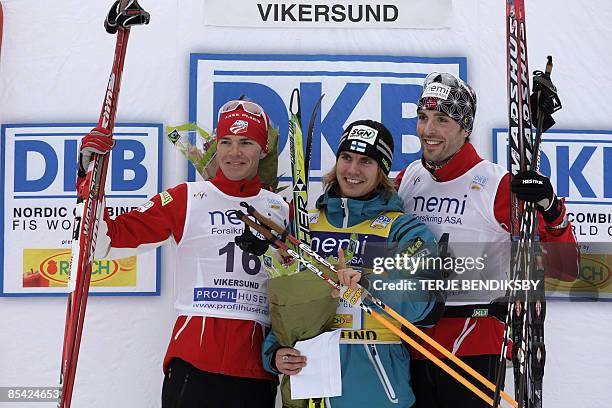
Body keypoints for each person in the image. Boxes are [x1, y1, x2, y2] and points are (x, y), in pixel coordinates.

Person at [78, 100, 290, 408]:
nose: (234, 153)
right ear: (215, 145)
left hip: (255, 372)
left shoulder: (282, 210)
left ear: (263, 150)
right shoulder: (187, 199)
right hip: (194, 366)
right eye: (226, 142)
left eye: (246, 142)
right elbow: (103, 243)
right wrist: (88, 177)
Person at [395, 72, 579, 408]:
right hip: (412, 341)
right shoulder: (408, 179)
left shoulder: (497, 185)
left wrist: (551, 209)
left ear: (465, 128)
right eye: (423, 118)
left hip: (474, 341)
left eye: (442, 120)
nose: (428, 130)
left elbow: (566, 269)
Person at [262, 120, 444, 408]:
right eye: (346, 158)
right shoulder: (306, 227)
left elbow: (426, 302)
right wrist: (274, 354)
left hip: (376, 391)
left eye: (366, 161)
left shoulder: (401, 230)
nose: (353, 170)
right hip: (311, 385)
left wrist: (370, 284)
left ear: (382, 170)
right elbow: (284, 308)